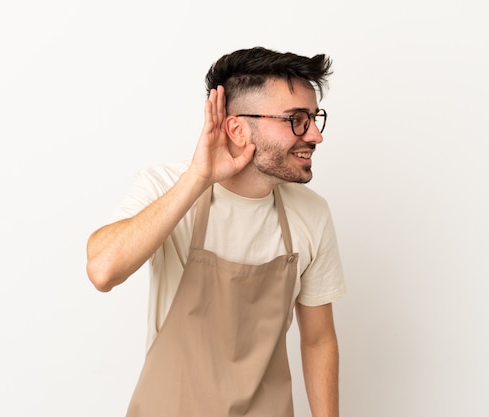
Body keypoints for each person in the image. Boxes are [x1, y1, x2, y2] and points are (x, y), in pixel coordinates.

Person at [86, 46, 346, 417]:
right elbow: (102, 270)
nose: (315, 135)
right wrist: (197, 179)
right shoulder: (165, 186)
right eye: (296, 120)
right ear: (237, 128)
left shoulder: (311, 213)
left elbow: (319, 340)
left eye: (315, 118)